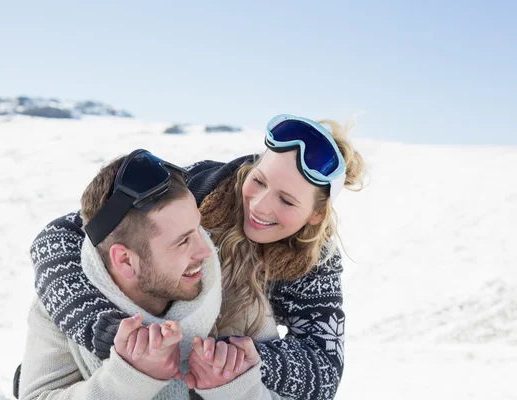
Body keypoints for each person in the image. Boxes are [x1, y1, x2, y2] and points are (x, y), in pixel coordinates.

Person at [28, 114, 367, 399]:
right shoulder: (203, 186)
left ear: (315, 216)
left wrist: (241, 360)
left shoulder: (312, 263)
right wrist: (106, 333)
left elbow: (323, 367)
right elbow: (70, 234)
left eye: (288, 201)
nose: (261, 205)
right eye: (259, 180)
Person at [18, 149, 279, 399]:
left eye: (198, 229)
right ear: (125, 260)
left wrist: (238, 391)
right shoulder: (63, 303)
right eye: (182, 241)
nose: (206, 251)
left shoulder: (239, 291)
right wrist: (128, 379)